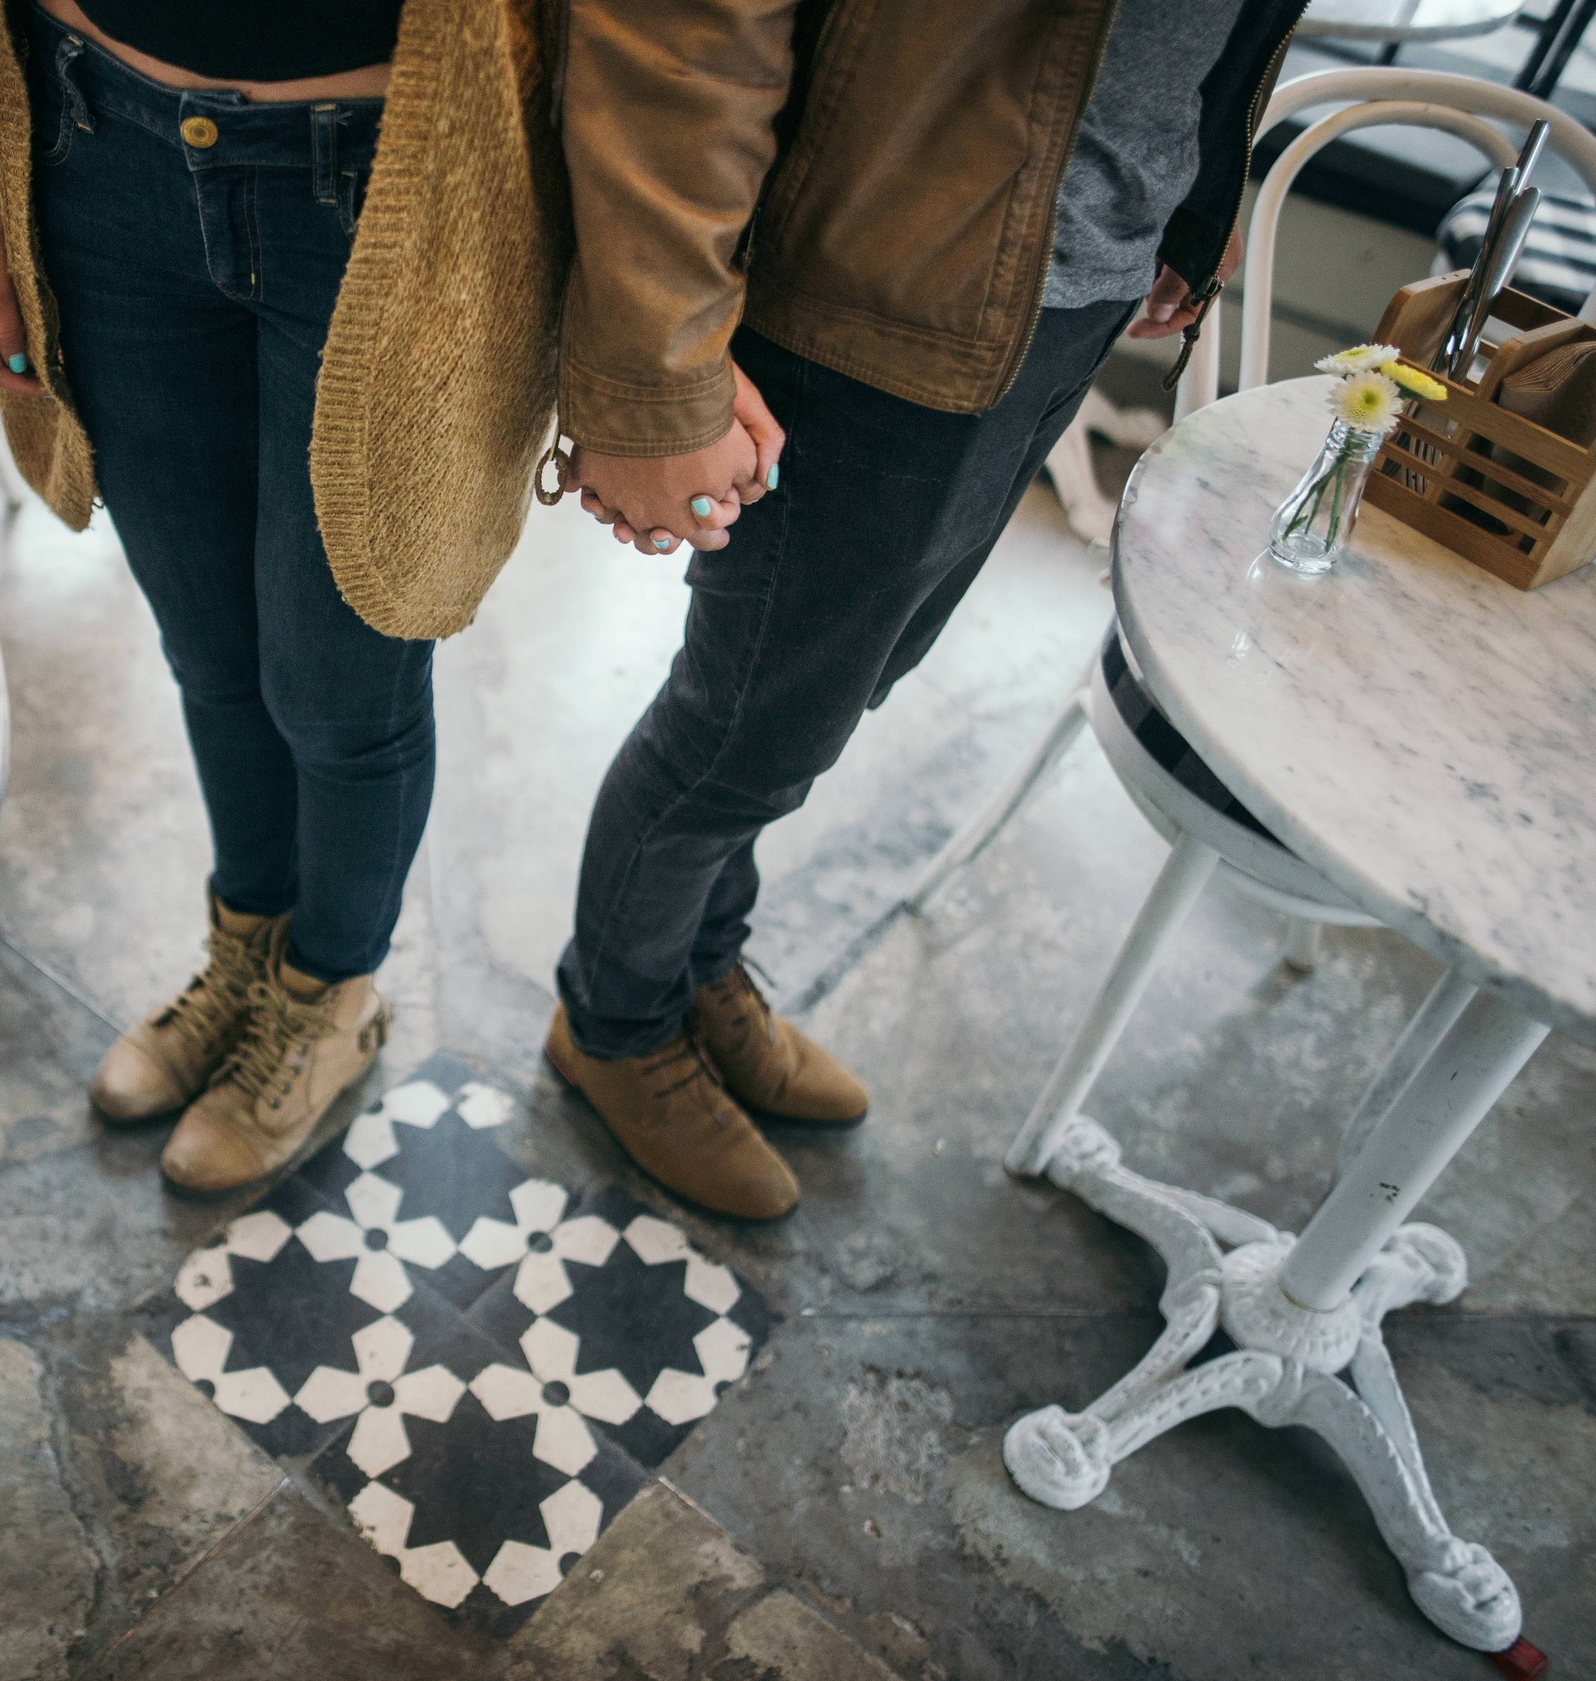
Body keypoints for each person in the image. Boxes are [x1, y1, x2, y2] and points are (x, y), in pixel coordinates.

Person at [543, 0, 1309, 1219]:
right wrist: (660, 350)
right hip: (880, 281)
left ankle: (691, 963)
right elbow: (689, 31)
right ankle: (614, 1022)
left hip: (1071, 284)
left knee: (824, 692)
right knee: (742, 726)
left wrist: (1192, 190)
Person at [0, 0, 567, 1190]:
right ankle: (249, 953)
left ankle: (328, 997)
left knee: (339, 680)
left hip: (402, 176)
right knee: (210, 647)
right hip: (95, 141)